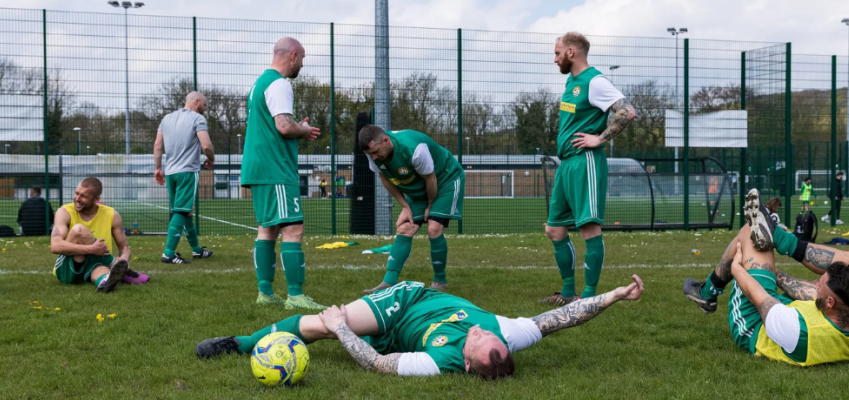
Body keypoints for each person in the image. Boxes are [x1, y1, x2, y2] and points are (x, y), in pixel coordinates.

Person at [196, 274, 644, 379]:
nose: (481, 332)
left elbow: (377, 362)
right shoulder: (510, 335)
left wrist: (346, 328)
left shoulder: (436, 364)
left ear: (465, 366)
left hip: (395, 335)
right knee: (318, 326)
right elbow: (561, 319)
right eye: (488, 335)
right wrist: (614, 296)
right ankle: (241, 342)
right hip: (408, 299)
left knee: (339, 326)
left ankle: (345, 319)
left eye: (478, 342)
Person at [682, 189, 849, 366]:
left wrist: (737, 267)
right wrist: (772, 272)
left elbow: (758, 296)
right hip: (795, 311)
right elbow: (831, 292)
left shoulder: (799, 331)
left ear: (828, 302)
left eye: (819, 284)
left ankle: (709, 291)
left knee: (751, 233)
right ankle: (779, 237)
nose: (815, 283)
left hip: (756, 322)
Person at [542, 32, 636, 305]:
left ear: (572, 52)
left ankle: (590, 296)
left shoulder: (594, 81)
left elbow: (627, 111)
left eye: (558, 52)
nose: (555, 58)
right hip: (567, 165)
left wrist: (600, 138)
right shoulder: (572, 81)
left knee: (589, 229)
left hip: (586, 163)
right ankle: (569, 292)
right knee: (554, 229)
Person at [242, 37, 325, 310]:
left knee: (268, 228)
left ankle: (265, 293)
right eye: (302, 58)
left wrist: (296, 126)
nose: (302, 64)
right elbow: (284, 126)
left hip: (259, 166)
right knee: (293, 228)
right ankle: (295, 295)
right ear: (293, 55)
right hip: (275, 168)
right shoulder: (280, 84)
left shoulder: (259, 84)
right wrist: (304, 129)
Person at [358, 125, 465, 293]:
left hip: (445, 179)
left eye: (376, 152)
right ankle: (388, 282)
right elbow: (385, 179)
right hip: (421, 185)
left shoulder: (415, 150)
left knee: (434, 227)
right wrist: (405, 206)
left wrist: (429, 206)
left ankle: (439, 282)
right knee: (404, 228)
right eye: (370, 154)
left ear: (385, 140)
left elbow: (431, 179)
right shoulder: (373, 154)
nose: (374, 157)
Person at [50, 178, 149, 292]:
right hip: (68, 269)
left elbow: (124, 247)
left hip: (96, 264)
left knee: (103, 271)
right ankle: (115, 265)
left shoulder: (112, 214)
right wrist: (91, 249)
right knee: (78, 230)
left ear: (96, 199)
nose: (77, 198)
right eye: (77, 193)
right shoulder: (64, 212)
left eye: (84, 196)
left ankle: (105, 282)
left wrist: (124, 259)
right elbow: (55, 246)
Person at [153, 91, 215, 264]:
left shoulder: (167, 118)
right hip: (187, 171)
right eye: (204, 104)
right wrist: (211, 159)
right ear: (196, 102)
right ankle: (168, 253)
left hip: (171, 172)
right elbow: (206, 145)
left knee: (186, 211)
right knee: (181, 211)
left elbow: (158, 145)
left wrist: (158, 168)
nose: (205, 108)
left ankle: (196, 250)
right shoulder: (197, 119)